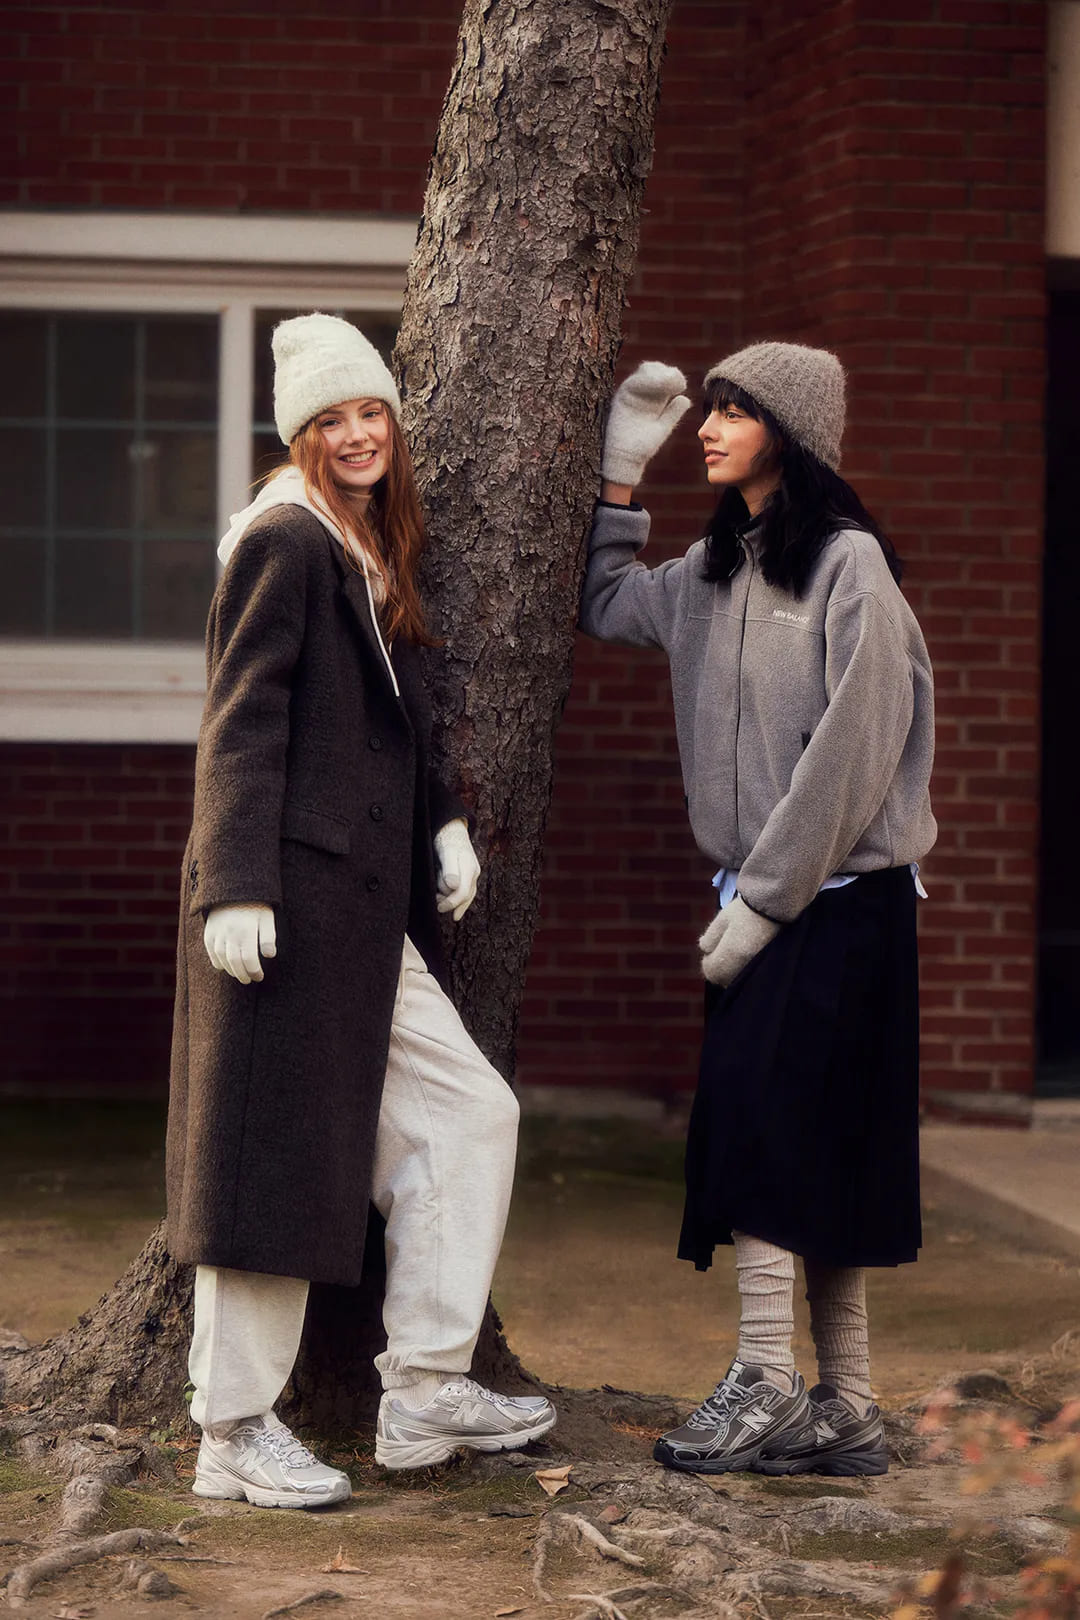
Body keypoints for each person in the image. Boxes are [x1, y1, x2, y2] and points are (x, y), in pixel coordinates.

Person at [166, 313, 555, 1510]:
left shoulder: (367, 546)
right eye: (328, 421)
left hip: (361, 917)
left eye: (369, 411)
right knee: (265, 1161)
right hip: (281, 904)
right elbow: (242, 719)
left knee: (467, 1116)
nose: (354, 435)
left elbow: (392, 723)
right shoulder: (283, 541)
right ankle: (232, 1431)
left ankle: (426, 1386)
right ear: (299, 438)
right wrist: (234, 884)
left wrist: (442, 823)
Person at [579, 344, 936, 1477]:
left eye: (735, 410)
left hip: (842, 907)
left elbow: (857, 749)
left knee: (774, 1136)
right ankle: (848, 1406)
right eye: (712, 409)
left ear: (791, 431)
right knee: (803, 1140)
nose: (709, 425)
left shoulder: (848, 565)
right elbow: (604, 604)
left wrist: (769, 903)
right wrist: (619, 477)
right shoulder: (713, 569)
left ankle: (769, 1379)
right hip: (763, 904)